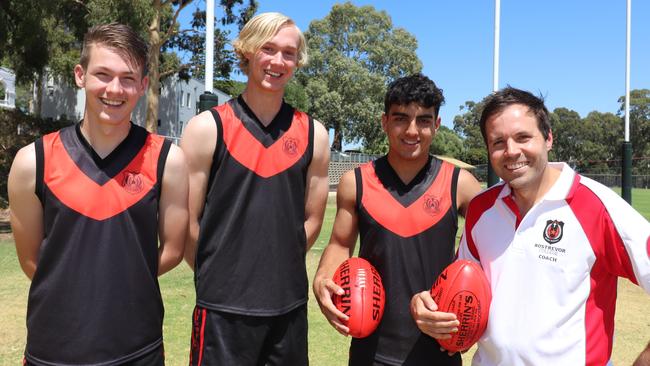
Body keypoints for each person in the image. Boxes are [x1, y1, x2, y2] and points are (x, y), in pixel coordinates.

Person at [8, 23, 188, 366]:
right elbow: (33, 261)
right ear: (80, 75)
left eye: (128, 78)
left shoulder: (168, 161)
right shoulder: (33, 162)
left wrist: (119, 287)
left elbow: (173, 251)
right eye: (102, 74)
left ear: (144, 85)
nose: (114, 89)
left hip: (137, 347)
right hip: (53, 349)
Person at [450, 87, 650, 364]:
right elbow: (463, 294)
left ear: (548, 139)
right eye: (498, 142)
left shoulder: (598, 206)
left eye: (523, 137)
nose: (511, 151)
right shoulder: (481, 208)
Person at [180, 12, 330, 365]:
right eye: (268, 49)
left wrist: (273, 268)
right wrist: (220, 274)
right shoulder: (207, 128)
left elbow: (311, 221)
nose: (278, 61)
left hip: (287, 308)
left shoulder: (314, 135)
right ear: (247, 51)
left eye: (289, 53)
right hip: (222, 310)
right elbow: (187, 222)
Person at [313, 73, 482, 365]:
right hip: (371, 349)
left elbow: (491, 254)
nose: (412, 131)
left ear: (437, 125)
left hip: (439, 349)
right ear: (384, 121)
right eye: (401, 118)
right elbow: (340, 243)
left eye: (424, 120)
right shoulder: (357, 182)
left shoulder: (461, 184)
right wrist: (323, 278)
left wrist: (472, 321)